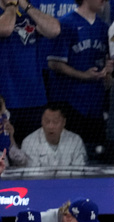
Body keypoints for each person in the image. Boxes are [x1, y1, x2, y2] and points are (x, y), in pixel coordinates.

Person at [46, 0, 112, 160]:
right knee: (70, 154)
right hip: (70, 103)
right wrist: (84, 75)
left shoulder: (104, 27)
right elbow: (54, 63)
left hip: (95, 104)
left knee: (96, 156)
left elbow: (106, 63)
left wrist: (108, 69)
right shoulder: (66, 23)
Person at [0, 0, 62, 144]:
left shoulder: (30, 8)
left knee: (32, 156)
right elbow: (6, 28)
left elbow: (54, 30)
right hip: (4, 102)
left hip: (34, 99)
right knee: (6, 154)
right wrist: (11, 6)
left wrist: (24, 5)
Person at [20, 103, 88, 167]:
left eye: (55, 122)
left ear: (64, 122)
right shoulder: (29, 142)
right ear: (41, 121)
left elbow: (79, 171)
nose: (50, 126)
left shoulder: (75, 141)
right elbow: (32, 175)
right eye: (47, 121)